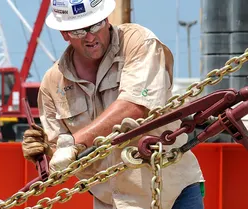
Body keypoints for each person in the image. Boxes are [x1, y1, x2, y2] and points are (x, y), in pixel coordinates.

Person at [21, 0, 205, 208]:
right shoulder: (53, 84)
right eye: (80, 31)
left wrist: (74, 143)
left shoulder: (137, 42)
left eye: (95, 26)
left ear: (106, 19)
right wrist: (46, 152)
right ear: (65, 33)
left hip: (173, 192)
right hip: (112, 202)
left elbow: (135, 106)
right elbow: (63, 160)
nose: (90, 37)